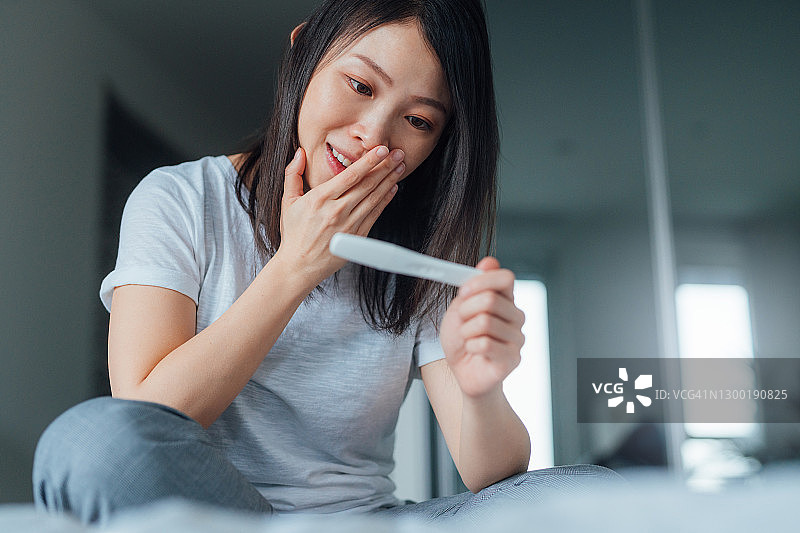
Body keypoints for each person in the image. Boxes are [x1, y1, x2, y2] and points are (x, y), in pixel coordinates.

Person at [33, 0, 620, 525]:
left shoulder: (423, 256)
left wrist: (482, 387)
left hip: (365, 520)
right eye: (361, 86)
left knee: (595, 493)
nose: (373, 134)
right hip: (214, 515)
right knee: (92, 440)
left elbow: (490, 475)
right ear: (303, 53)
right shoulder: (181, 199)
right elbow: (146, 416)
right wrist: (296, 268)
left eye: (417, 121)